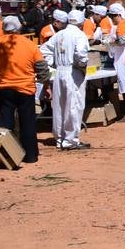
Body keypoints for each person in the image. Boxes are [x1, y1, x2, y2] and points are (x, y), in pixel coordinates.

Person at [0, 17, 43, 163]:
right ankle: (31, 156)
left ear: (3, 29)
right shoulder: (30, 44)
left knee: (6, 124)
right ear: (19, 29)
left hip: (3, 89)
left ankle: (8, 157)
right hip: (26, 89)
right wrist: (46, 85)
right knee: (28, 123)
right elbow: (42, 69)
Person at [42, 8, 90, 150]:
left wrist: (53, 63)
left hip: (59, 72)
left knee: (59, 106)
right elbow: (81, 54)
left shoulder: (59, 34)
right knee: (74, 105)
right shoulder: (79, 35)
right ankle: (71, 140)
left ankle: (60, 138)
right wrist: (82, 65)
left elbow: (43, 50)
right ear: (81, 23)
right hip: (72, 72)